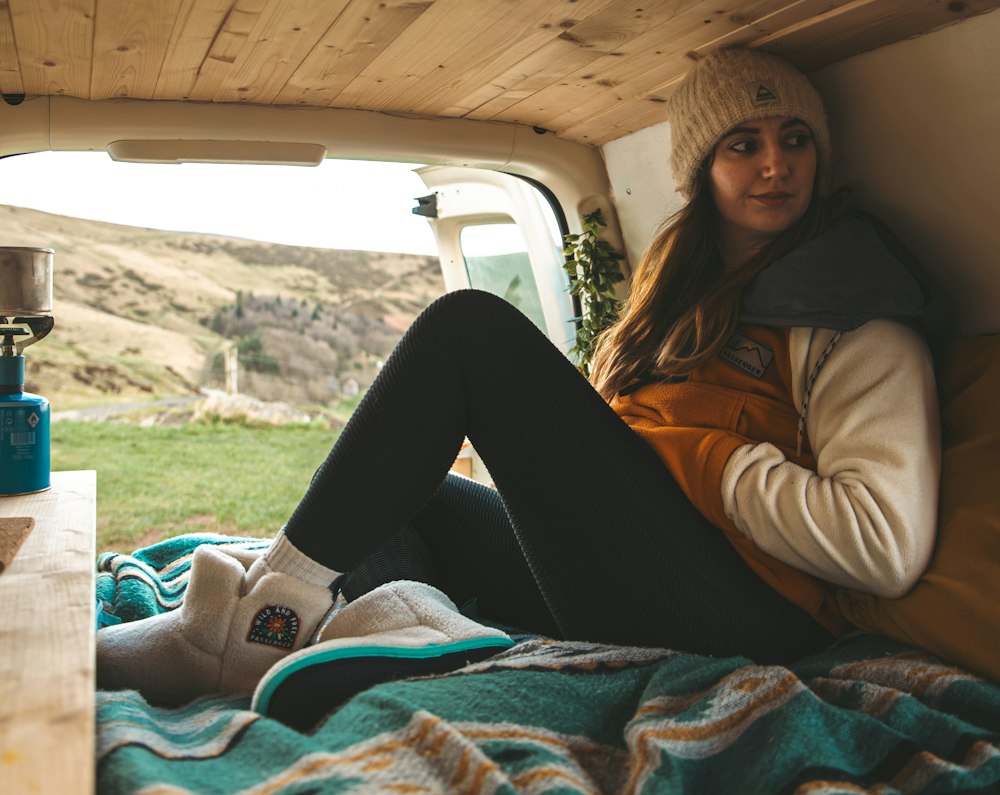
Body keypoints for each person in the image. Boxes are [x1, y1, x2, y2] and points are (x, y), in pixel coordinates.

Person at [97, 47, 941, 707]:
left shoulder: (852, 314)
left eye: (795, 140)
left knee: (470, 329)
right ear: (700, 170)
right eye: (743, 144)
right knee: (402, 488)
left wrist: (700, 458)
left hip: (749, 616)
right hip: (648, 574)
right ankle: (389, 625)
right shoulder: (684, 305)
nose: (774, 165)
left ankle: (247, 627)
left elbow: (882, 547)